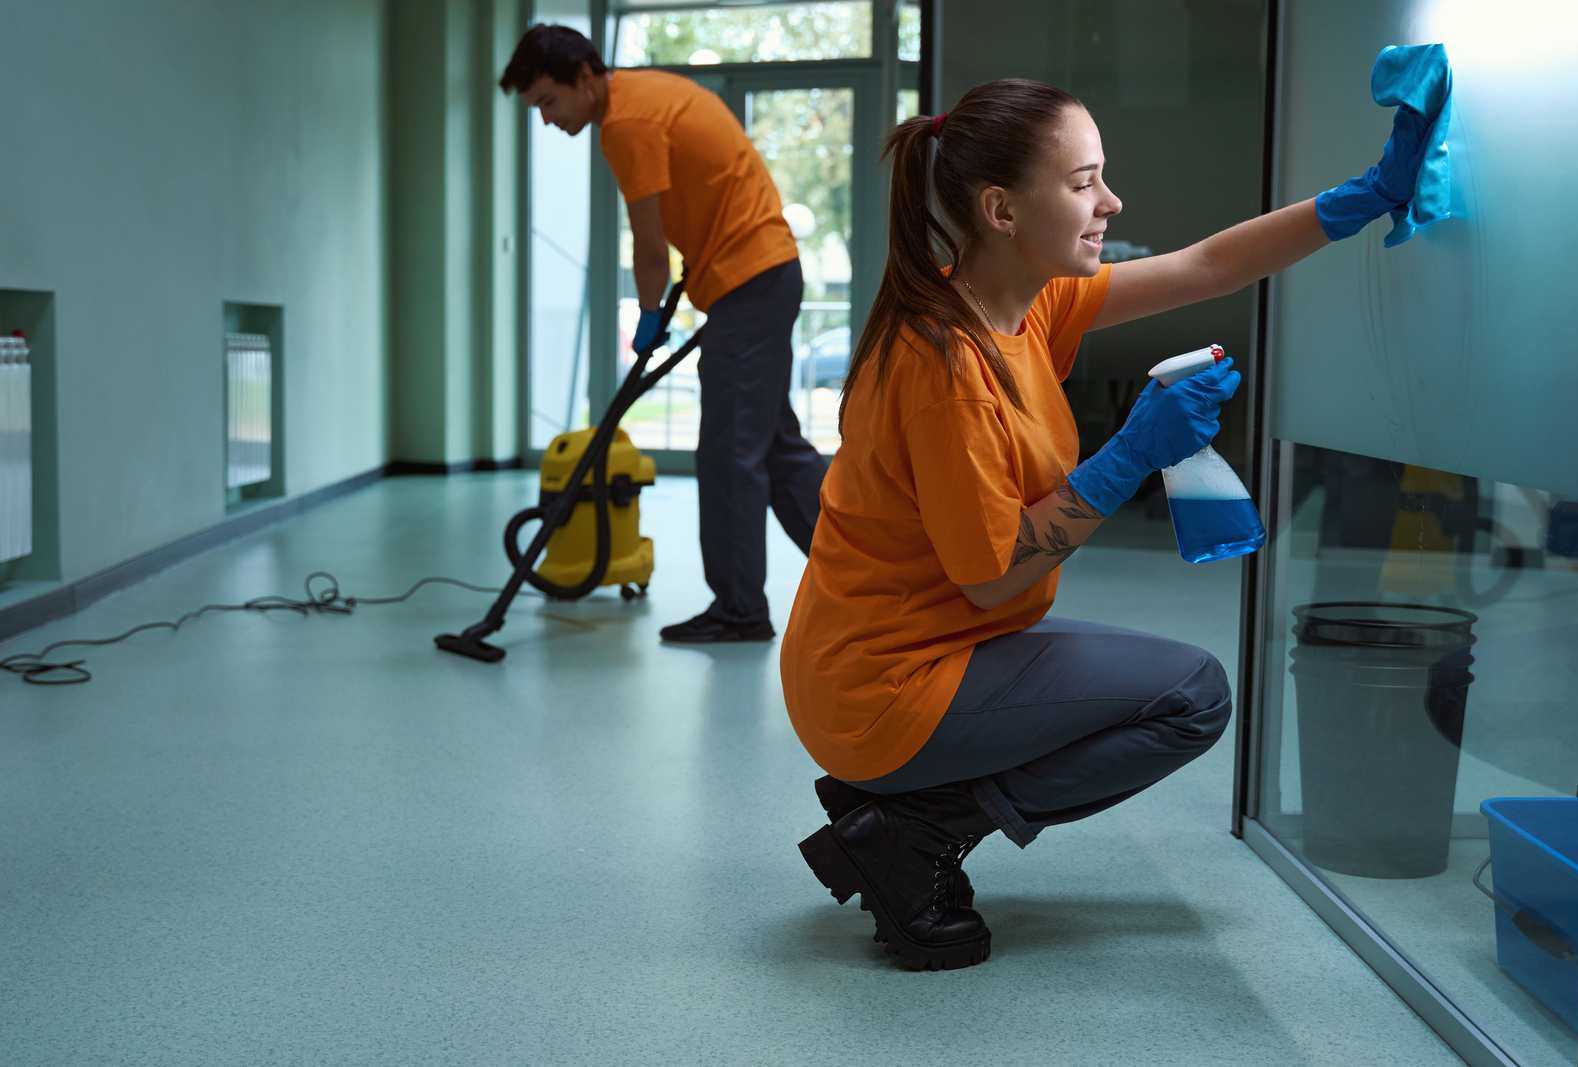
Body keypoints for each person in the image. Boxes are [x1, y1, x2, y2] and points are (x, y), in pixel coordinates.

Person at [782, 78, 1436, 970]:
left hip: (912, 650)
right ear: (1003, 209)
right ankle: (915, 828)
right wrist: (1131, 454)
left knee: (1172, 687)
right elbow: (993, 573)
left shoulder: (1017, 300)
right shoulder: (945, 364)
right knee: (1191, 697)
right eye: (1085, 181)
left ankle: (909, 815)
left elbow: (1208, 265)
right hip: (886, 684)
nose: (1111, 202)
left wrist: (1365, 196)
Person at [499, 25, 831, 643]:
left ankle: (739, 611)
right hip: (759, 275)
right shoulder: (647, 94)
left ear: (585, 76)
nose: (546, 119)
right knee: (776, 448)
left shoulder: (626, 125)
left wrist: (649, 318)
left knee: (731, 455)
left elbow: (648, 247)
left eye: (548, 101)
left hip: (750, 281)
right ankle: (864, 579)